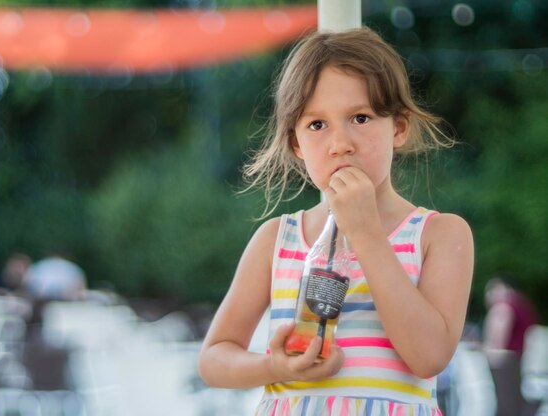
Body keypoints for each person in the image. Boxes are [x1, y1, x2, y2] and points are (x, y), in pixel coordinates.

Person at [197, 27, 474, 415]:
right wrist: (273, 366)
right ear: (296, 143)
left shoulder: (439, 234)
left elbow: (429, 357)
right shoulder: (277, 238)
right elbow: (213, 358)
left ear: (398, 126)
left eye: (360, 118)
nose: (340, 142)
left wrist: (365, 232)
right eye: (316, 125)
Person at [483, 275, 540, 355]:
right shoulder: (521, 303)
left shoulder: (502, 308)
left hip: (508, 358)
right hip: (525, 357)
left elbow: (497, 343)